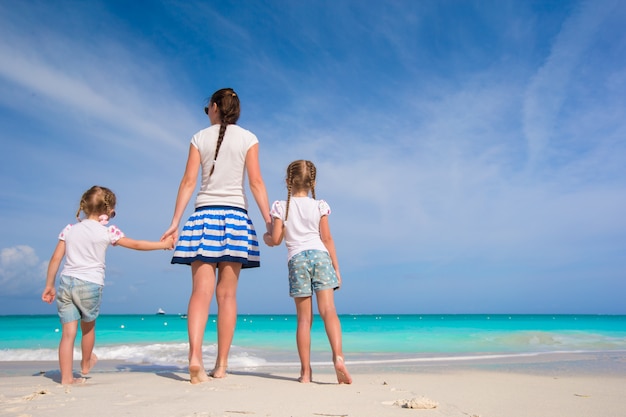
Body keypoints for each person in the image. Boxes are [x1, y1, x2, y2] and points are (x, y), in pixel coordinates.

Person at [161, 88, 271, 384]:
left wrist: (175, 222)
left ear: (213, 107)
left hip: (203, 217)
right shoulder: (249, 138)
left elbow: (188, 182)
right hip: (235, 218)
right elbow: (257, 182)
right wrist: (270, 221)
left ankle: (195, 356)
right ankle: (221, 365)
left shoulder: (199, 138)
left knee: (200, 293)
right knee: (227, 296)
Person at [42, 185, 175, 385]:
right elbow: (136, 244)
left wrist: (49, 285)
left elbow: (55, 259)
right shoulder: (108, 231)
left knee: (68, 334)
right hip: (90, 284)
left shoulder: (69, 230)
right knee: (88, 328)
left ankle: (67, 378)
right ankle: (86, 364)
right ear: (108, 210)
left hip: (66, 282)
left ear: (84, 206)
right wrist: (163, 245)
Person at [263, 160, 352, 384]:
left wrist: (266, 236)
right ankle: (338, 358)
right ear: (312, 182)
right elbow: (327, 238)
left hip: (297, 260)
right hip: (321, 256)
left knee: (304, 319)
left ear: (287, 182)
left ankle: (305, 373)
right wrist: (336, 268)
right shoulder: (319, 205)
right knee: (329, 310)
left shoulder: (280, 207)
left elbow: (275, 240)